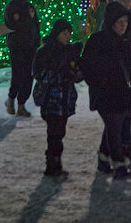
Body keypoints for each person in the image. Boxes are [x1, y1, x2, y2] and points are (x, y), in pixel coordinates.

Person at [82, 2, 131, 179]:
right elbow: (87, 66)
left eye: (125, 21)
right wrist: (100, 82)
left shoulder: (126, 41)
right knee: (115, 128)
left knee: (117, 127)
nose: (123, 25)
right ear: (111, 22)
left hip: (123, 94)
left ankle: (104, 158)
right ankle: (119, 164)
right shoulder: (98, 40)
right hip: (105, 94)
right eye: (119, 21)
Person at [34, 19, 84, 178]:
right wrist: (59, 75)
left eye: (69, 32)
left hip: (65, 100)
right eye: (64, 33)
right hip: (52, 100)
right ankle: (52, 164)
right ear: (57, 34)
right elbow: (39, 73)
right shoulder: (46, 51)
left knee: (59, 132)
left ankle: (56, 163)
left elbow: (78, 74)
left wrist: (75, 73)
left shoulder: (70, 52)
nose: (68, 36)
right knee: (54, 134)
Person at [3, 0, 41, 117]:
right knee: (18, 74)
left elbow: (35, 25)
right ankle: (11, 98)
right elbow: (13, 26)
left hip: (30, 46)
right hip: (17, 46)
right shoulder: (11, 8)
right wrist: (27, 18)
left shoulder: (29, 7)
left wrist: (37, 40)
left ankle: (21, 104)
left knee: (28, 76)